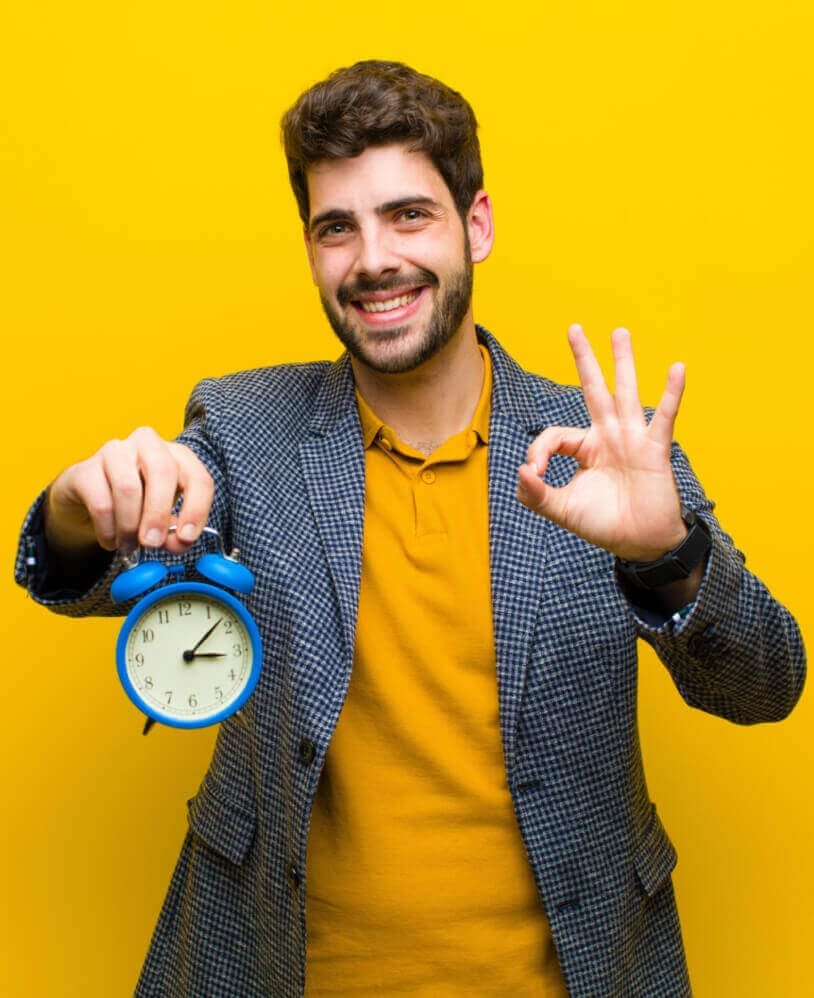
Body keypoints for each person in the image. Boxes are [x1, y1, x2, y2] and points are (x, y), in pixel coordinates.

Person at [15, 60, 805, 997]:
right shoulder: (241, 427)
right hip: (278, 969)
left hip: (574, 973)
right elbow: (117, 565)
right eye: (336, 228)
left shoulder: (603, 449)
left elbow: (766, 684)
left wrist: (664, 557)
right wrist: (80, 508)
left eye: (408, 216)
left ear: (476, 225)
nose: (373, 259)